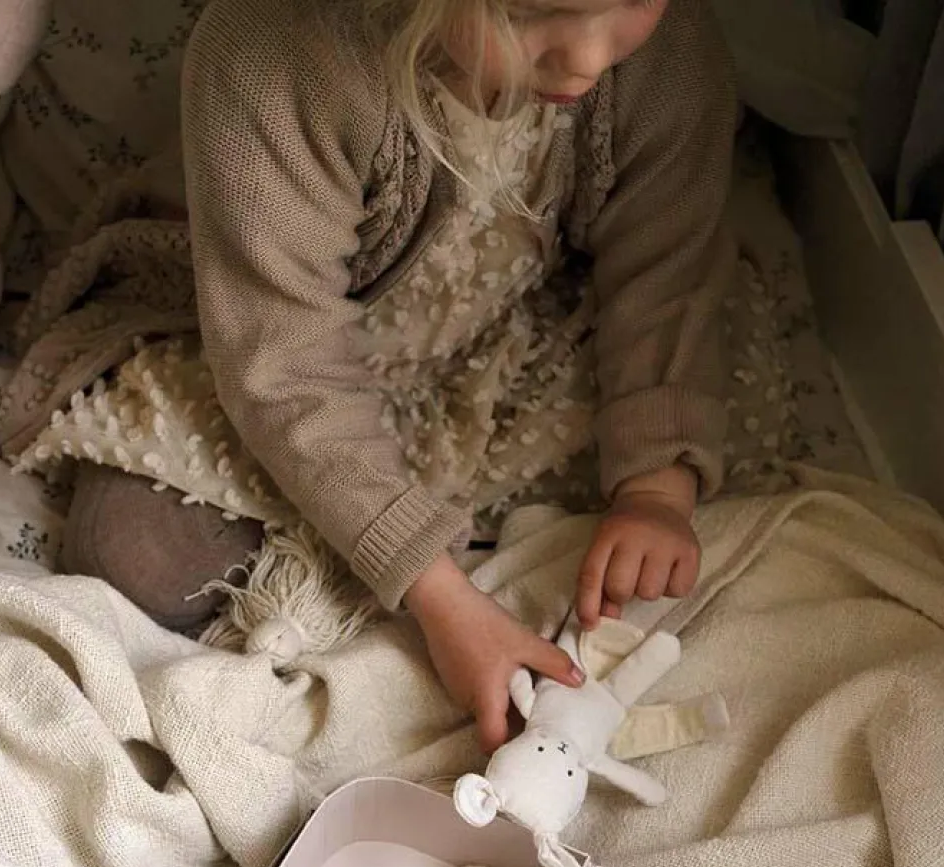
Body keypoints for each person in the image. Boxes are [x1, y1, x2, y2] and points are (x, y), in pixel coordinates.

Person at [61, 0, 736, 752]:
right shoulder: (272, 54)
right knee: (130, 557)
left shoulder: (665, 54)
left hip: (504, 330)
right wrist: (437, 594)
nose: (586, 58)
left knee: (654, 492)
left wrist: (655, 493)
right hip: (276, 341)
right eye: (527, 15)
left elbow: (666, 274)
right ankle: (355, 535)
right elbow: (281, 358)